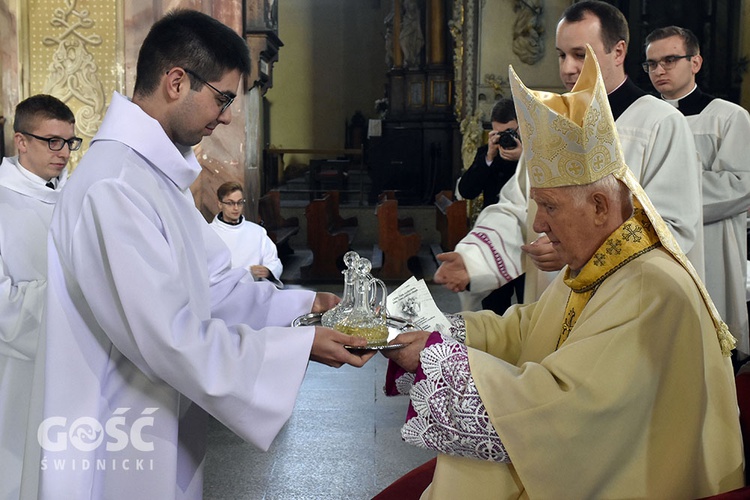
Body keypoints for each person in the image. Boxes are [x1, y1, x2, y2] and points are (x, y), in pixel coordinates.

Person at [34, 10, 373, 499]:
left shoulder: (152, 178)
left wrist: (308, 308)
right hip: (112, 436)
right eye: (223, 98)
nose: (228, 116)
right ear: (176, 81)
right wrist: (299, 348)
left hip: (153, 425)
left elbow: (216, 285)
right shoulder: (115, 185)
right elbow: (171, 338)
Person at [380, 48, 742, 499]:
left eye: (549, 206)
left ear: (600, 206)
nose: (539, 224)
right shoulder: (602, 264)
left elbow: (567, 410)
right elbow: (528, 328)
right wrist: (442, 334)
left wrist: (440, 364)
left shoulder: (648, 286)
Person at [435, 0, 703, 306]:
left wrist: (573, 248)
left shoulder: (659, 122)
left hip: (623, 306)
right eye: (561, 55)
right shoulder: (550, 122)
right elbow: (518, 208)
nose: (567, 68)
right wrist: (473, 258)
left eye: (580, 55)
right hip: (551, 300)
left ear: (618, 52)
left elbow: (671, 228)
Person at [645, 25, 750, 359]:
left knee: (712, 347)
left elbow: (741, 184)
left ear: (696, 62)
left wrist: (663, 197)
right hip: (657, 251)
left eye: (670, 60)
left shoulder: (727, 117)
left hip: (713, 246)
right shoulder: (643, 121)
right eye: (651, 63)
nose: (659, 70)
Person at [0, 95, 79, 500]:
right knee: (16, 470)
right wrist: (76, 298)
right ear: (21, 141)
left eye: (69, 142)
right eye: (52, 141)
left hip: (74, 361)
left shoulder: (74, 196)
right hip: (18, 365)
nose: (63, 153)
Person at [456, 98, 524, 314]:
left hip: (526, 242)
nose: (505, 139)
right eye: (498, 133)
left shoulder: (537, 153)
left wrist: (525, 156)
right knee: (493, 309)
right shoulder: (488, 153)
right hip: (495, 243)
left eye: (510, 132)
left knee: (528, 304)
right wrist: (488, 157)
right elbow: (466, 191)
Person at [210, 181, 283, 287]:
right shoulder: (209, 233)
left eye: (240, 202)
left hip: (252, 291)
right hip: (220, 292)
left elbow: (273, 260)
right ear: (220, 204)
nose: (236, 208)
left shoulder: (257, 232)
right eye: (230, 203)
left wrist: (268, 271)